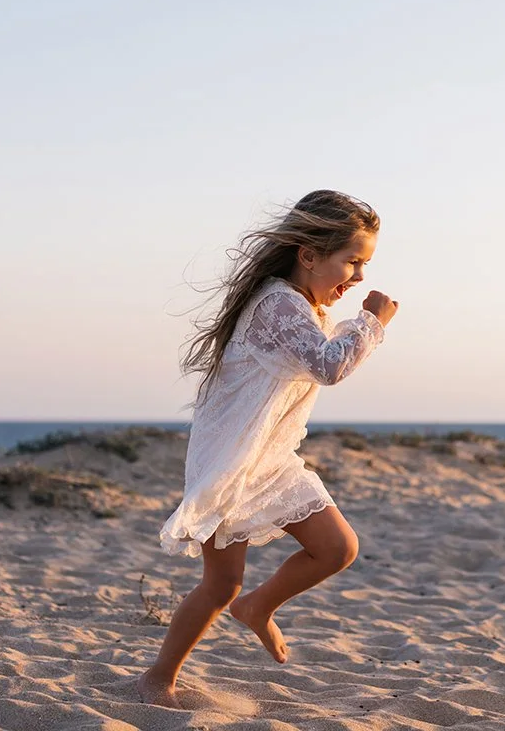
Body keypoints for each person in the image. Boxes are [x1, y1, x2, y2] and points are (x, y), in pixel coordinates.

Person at [138, 189, 398, 709]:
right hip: (233, 464)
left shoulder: (303, 307)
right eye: (352, 261)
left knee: (337, 548)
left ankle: (258, 608)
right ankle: (156, 680)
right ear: (308, 255)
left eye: (365, 264)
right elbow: (329, 367)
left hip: (272, 461)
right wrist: (373, 322)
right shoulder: (277, 304)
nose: (360, 277)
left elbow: (320, 357)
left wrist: (353, 324)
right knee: (218, 587)